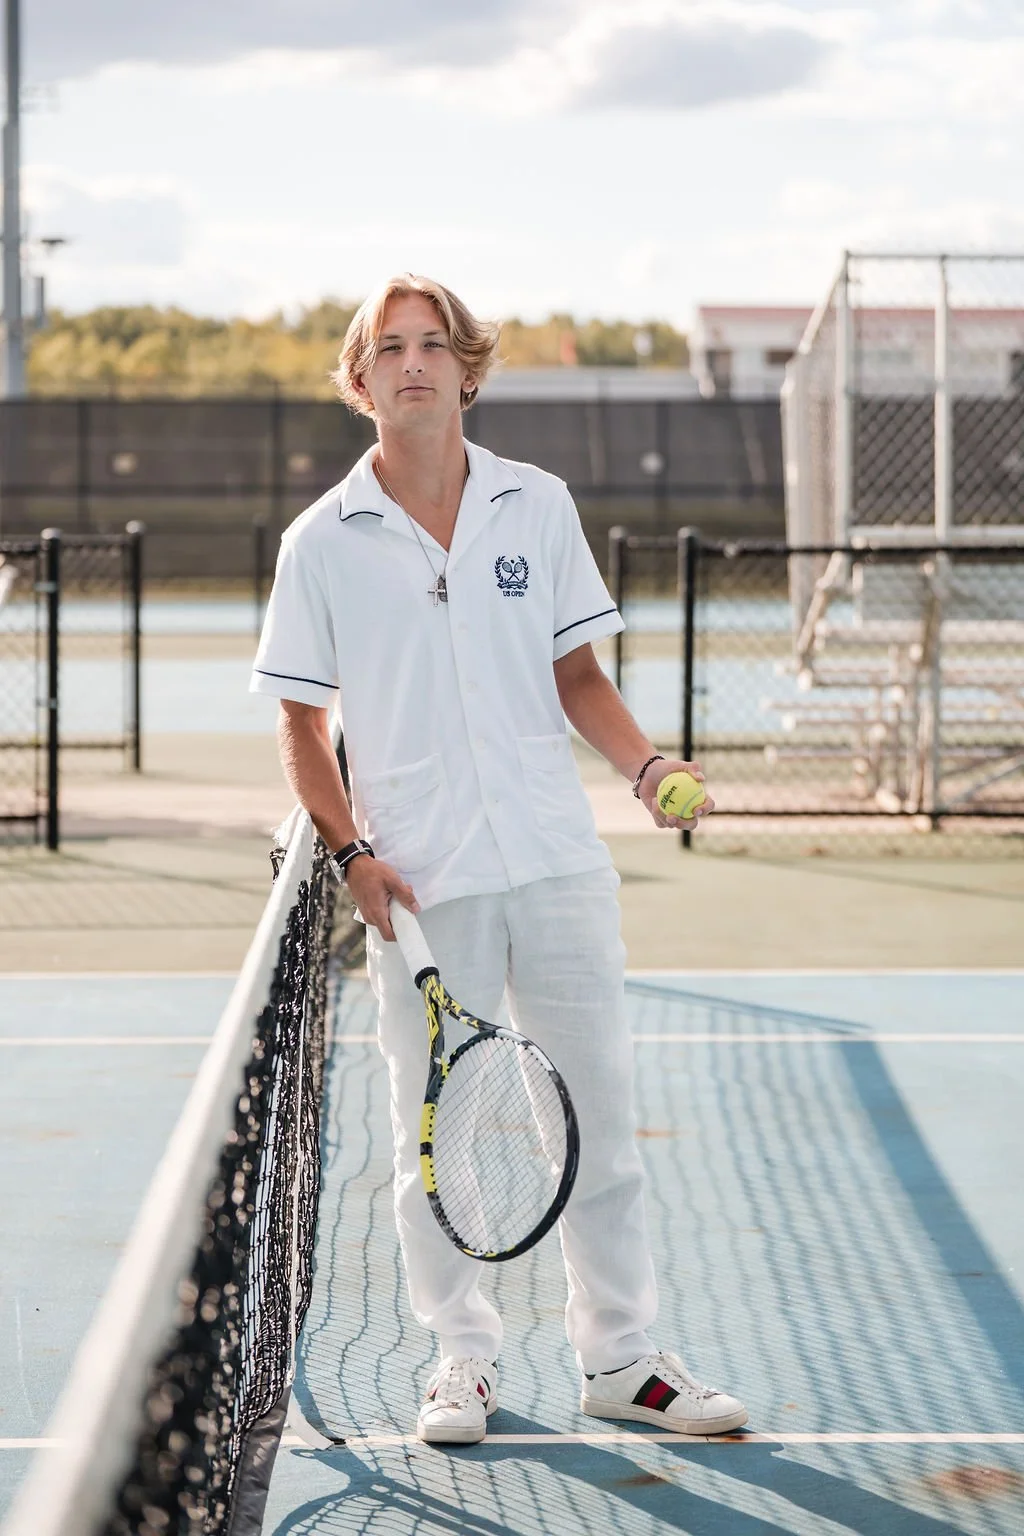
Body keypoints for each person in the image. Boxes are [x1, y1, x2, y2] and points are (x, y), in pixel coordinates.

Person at [250, 274, 747, 1446]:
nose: (411, 363)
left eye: (433, 345)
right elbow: (299, 726)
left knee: (597, 1123)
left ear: (466, 369)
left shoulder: (539, 505)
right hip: (420, 884)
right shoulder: (319, 542)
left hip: (555, 863)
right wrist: (354, 853)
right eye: (388, 348)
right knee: (439, 1134)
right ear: (359, 378)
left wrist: (644, 767)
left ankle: (621, 1358)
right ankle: (460, 1361)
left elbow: (578, 677)